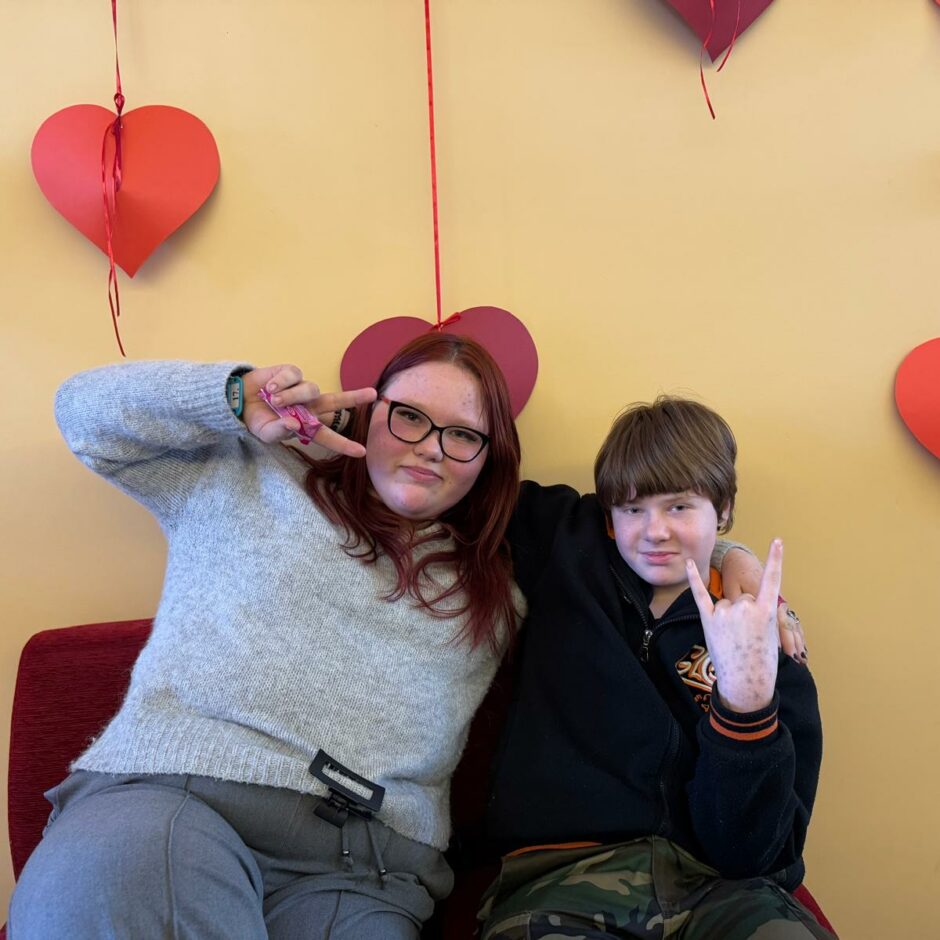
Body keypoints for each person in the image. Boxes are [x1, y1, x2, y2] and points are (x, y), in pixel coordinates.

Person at [10, 340, 786, 940]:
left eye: (462, 435)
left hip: (364, 869)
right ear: (367, 412)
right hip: (183, 800)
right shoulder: (254, 473)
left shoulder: (504, 563)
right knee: (110, 882)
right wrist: (232, 396)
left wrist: (732, 561)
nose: (429, 447)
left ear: (487, 463)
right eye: (408, 416)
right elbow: (85, 417)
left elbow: (639, 527)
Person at [481, 397, 829, 940]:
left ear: (724, 508)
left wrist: (746, 703)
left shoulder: (770, 645)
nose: (654, 531)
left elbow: (756, 854)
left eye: (680, 507)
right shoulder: (566, 546)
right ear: (608, 516)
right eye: (632, 509)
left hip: (723, 890)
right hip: (562, 878)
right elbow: (452, 479)